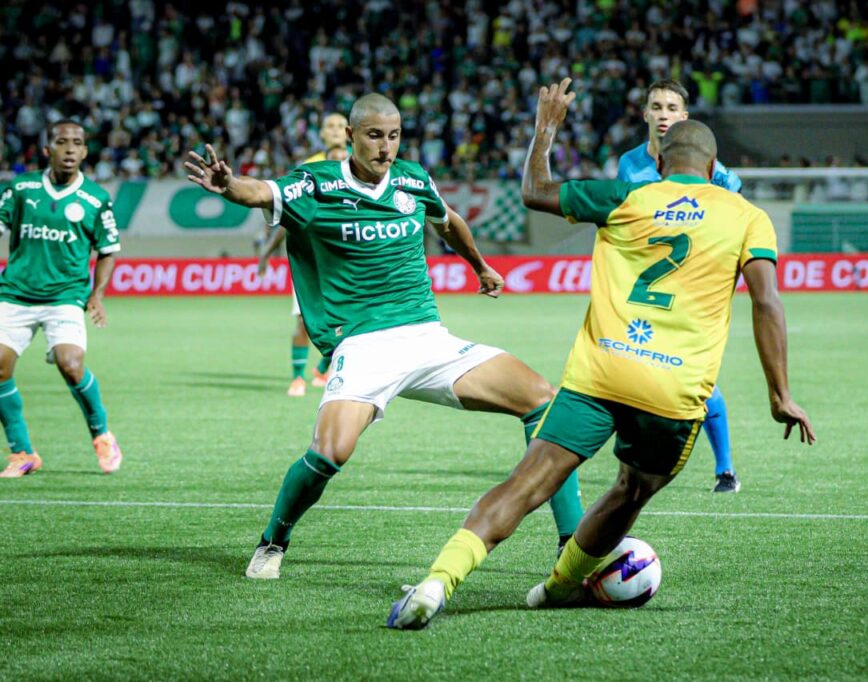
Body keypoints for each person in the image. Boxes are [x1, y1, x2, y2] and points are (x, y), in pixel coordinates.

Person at [388, 79, 815, 630]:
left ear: (662, 166)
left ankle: (436, 582)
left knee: (526, 484)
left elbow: (535, 191)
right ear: (714, 169)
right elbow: (767, 303)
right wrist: (780, 394)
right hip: (673, 390)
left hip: (599, 374)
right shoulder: (746, 216)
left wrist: (547, 126)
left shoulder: (626, 196)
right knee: (631, 489)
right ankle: (558, 587)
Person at [185, 93, 585, 579]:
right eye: (375, 135)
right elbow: (259, 192)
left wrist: (479, 265)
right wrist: (229, 186)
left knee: (543, 399)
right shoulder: (316, 184)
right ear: (351, 136)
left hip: (426, 337)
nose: (386, 146)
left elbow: (448, 221)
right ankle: (274, 540)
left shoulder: (413, 180)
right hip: (362, 345)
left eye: (394, 135)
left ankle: (572, 542)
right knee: (329, 452)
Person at [618, 78, 743, 493]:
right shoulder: (629, 165)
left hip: (691, 286)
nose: (664, 114)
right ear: (646, 114)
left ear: (684, 117)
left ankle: (725, 468)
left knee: (696, 377)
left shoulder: (711, 168)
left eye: (673, 107)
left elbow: (735, 204)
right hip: (646, 288)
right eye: (657, 106)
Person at [0, 120, 123, 478]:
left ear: (85, 151)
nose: (69, 149)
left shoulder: (96, 198)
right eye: (61, 142)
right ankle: (23, 452)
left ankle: (101, 434)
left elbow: (108, 251)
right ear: (46, 149)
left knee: (70, 364)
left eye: (77, 143)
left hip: (66, 295)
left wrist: (96, 295)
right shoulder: (20, 188)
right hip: (16, 293)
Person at [257, 113, 351, 397]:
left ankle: (323, 368)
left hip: (350, 255)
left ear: (349, 132)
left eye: (339, 125)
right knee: (304, 320)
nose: (334, 131)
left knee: (352, 320)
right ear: (321, 134)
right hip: (314, 258)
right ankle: (298, 378)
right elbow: (292, 216)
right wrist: (268, 253)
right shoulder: (309, 168)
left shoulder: (362, 165)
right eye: (329, 126)